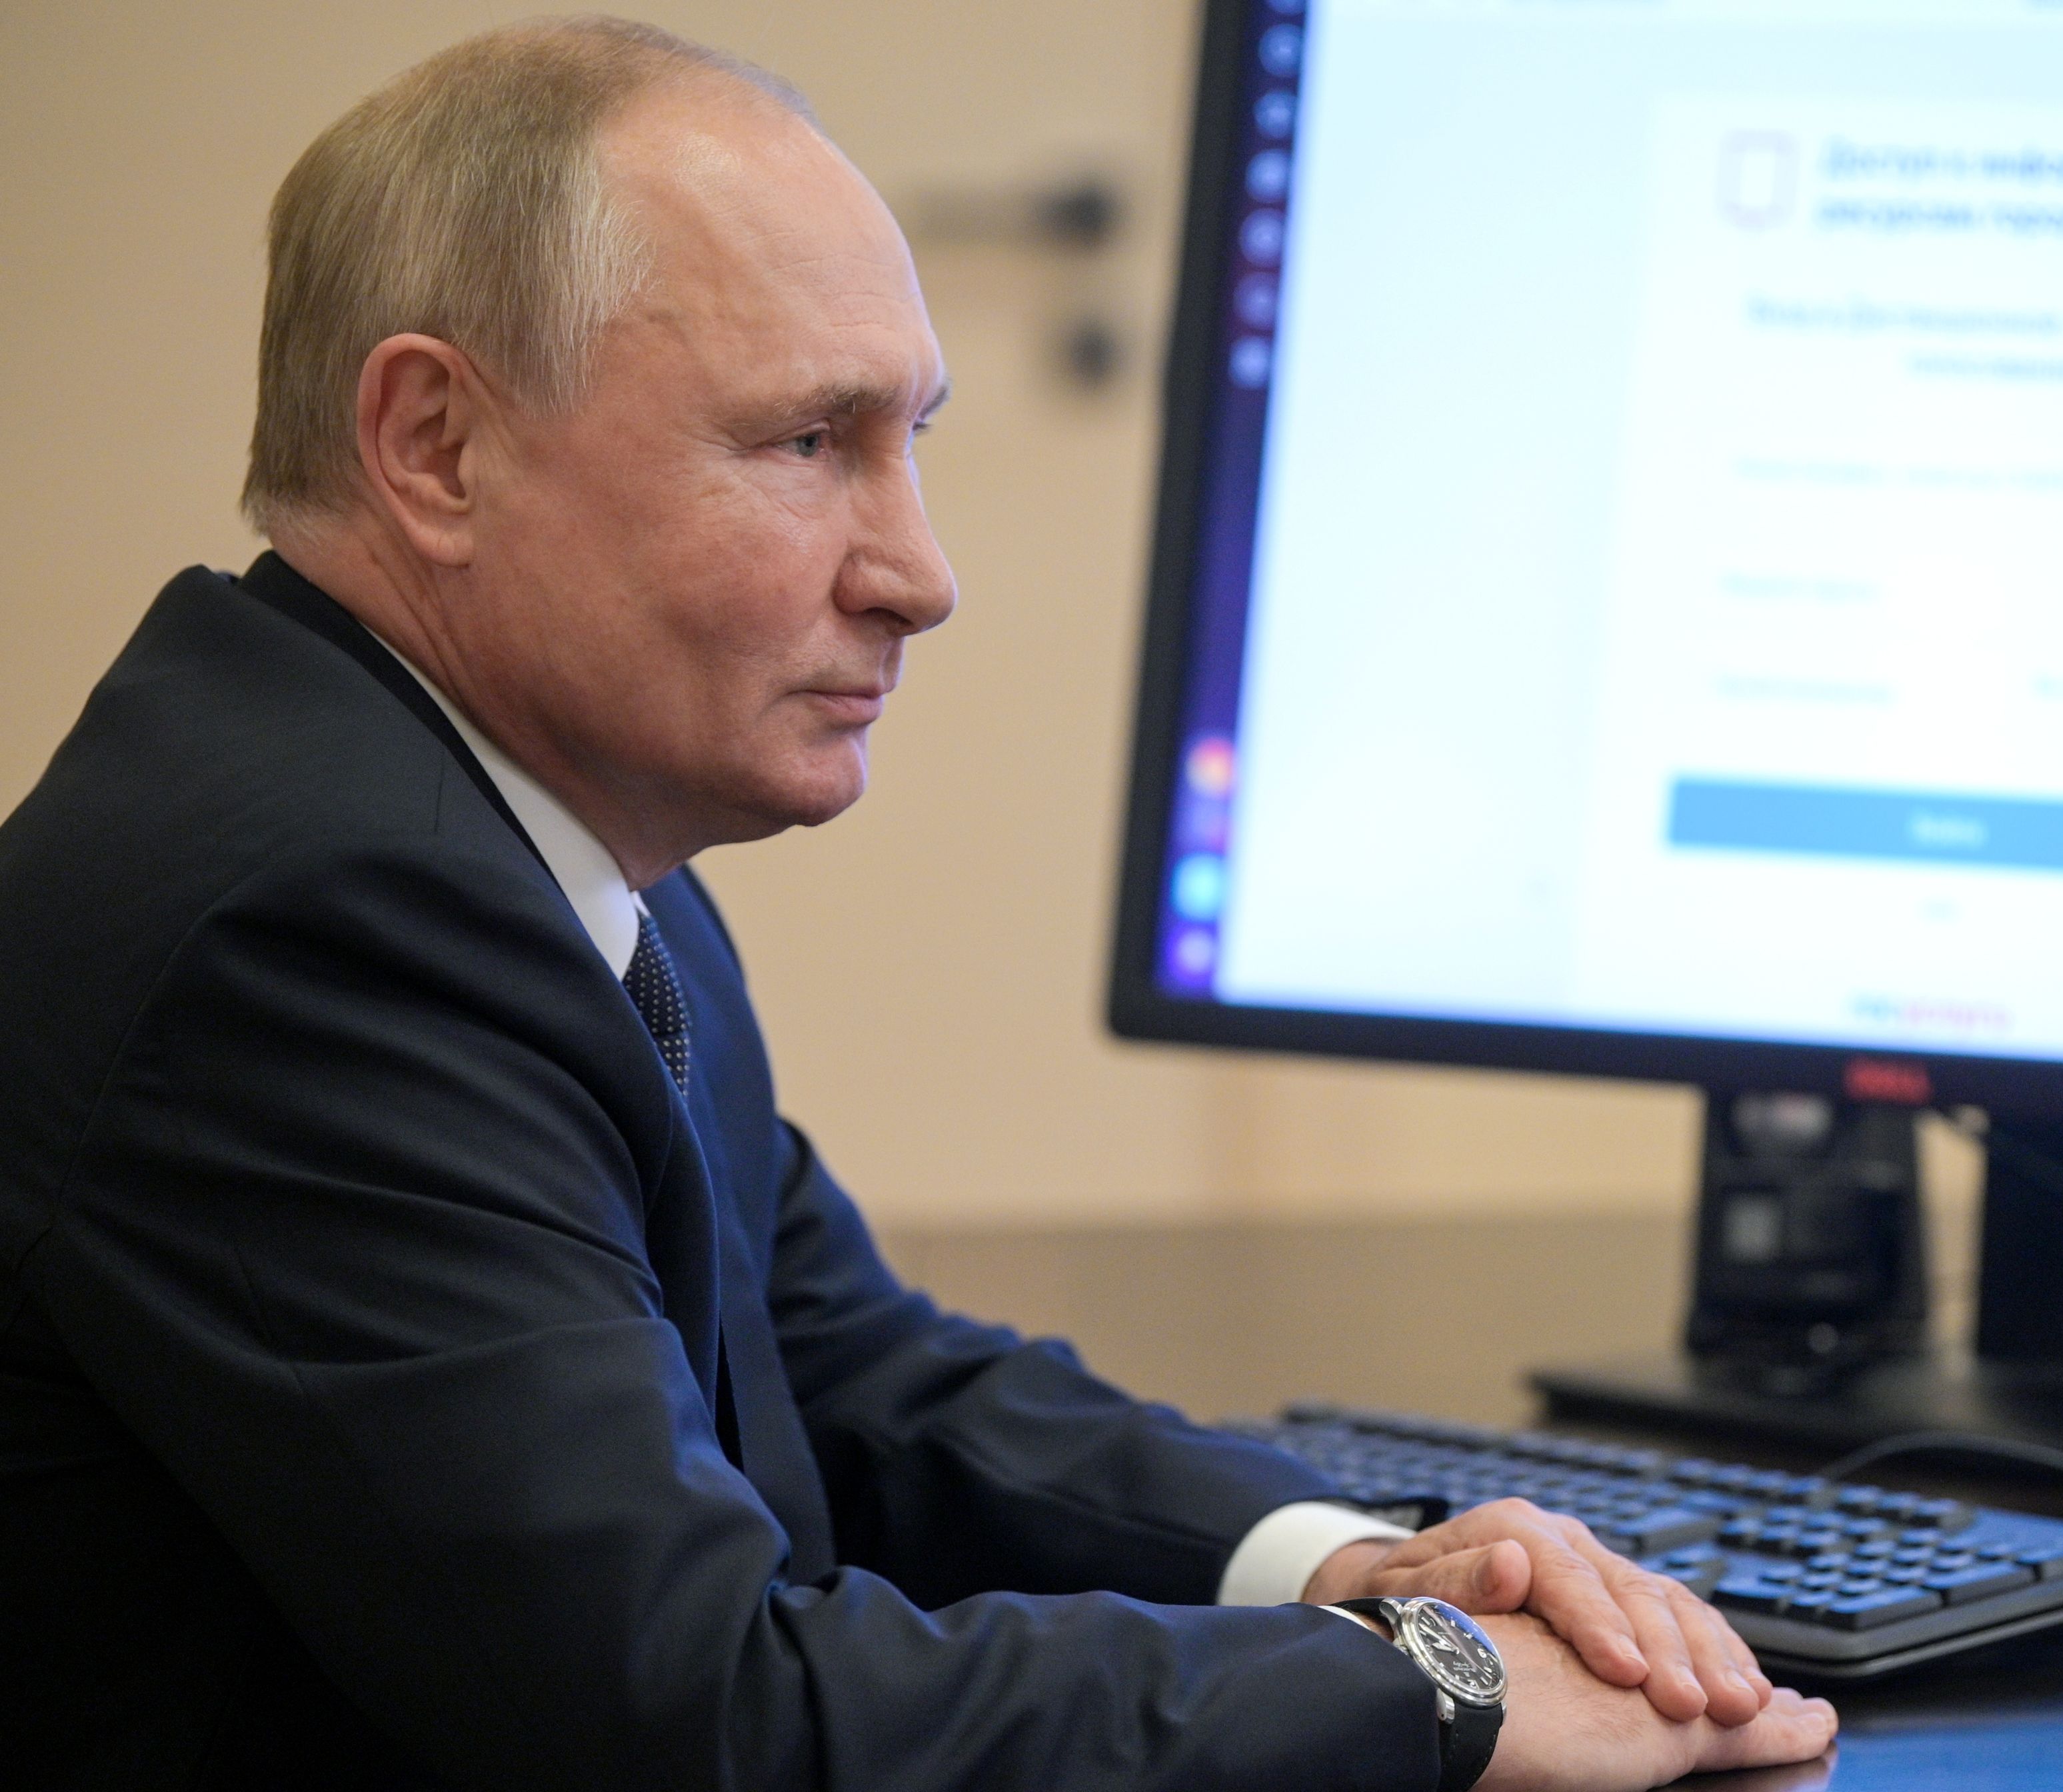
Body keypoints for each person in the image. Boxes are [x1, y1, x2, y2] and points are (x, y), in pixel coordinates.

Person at [0, 19, 1836, 1791]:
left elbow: (841, 1370)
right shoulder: (317, 925)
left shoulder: (507, 831)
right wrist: (1424, 1690)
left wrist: (1353, 1571)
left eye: (915, 441)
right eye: (807, 441)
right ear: (435, 446)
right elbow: (709, 1717)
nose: (920, 574)